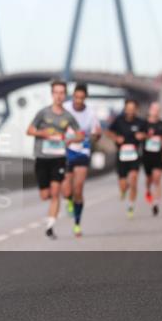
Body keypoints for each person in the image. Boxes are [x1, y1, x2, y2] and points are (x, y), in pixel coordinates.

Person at [26, 80, 82, 239]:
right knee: (45, 195)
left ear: (65, 95)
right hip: (42, 157)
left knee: (56, 193)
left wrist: (71, 139)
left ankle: (50, 227)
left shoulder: (68, 116)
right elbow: (29, 130)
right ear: (52, 94)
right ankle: (54, 206)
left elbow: (80, 135)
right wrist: (42, 134)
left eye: (62, 93)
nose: (59, 96)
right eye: (56, 92)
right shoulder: (43, 113)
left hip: (58, 157)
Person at [62, 83, 102, 236]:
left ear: (86, 98)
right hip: (66, 152)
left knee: (78, 188)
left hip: (82, 153)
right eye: (76, 97)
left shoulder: (91, 114)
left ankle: (77, 224)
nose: (78, 100)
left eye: (82, 98)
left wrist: (97, 135)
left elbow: (96, 135)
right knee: (66, 191)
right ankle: (69, 201)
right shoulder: (65, 108)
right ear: (73, 96)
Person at [105, 99, 147, 219]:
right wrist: (116, 138)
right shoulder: (119, 120)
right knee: (123, 185)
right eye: (128, 109)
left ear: (136, 110)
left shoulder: (140, 122)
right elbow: (108, 132)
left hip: (134, 155)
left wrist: (142, 136)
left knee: (133, 180)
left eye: (132, 109)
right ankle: (123, 191)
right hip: (122, 156)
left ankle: (131, 206)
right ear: (125, 109)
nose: (130, 111)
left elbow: (147, 134)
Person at [142, 101, 162, 217]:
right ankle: (148, 190)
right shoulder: (144, 124)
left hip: (158, 155)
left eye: (158, 110)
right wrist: (146, 136)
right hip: (147, 155)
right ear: (150, 110)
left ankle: (156, 203)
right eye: (154, 109)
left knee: (157, 179)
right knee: (149, 179)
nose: (156, 112)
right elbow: (139, 136)